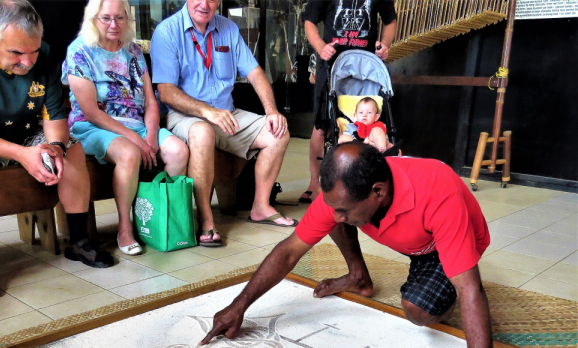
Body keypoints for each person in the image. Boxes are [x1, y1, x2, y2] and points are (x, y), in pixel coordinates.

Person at [200, 144, 516, 348]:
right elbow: (289, 252)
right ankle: (358, 276)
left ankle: (437, 277)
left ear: (378, 191)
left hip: (437, 245)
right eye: (336, 206)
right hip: (405, 232)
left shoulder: (438, 193)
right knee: (328, 216)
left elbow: (471, 290)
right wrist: (239, 305)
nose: (338, 216)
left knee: (418, 309)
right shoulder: (349, 192)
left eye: (345, 209)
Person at [0, 0, 113, 301]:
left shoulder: (47, 56)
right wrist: (21, 154)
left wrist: (53, 147)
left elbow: (55, 119)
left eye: (34, 51)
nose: (28, 62)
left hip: (26, 131)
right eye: (16, 53)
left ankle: (78, 241)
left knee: (73, 149)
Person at [150, 0, 295, 248]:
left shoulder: (228, 28)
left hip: (226, 113)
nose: (205, 4)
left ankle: (260, 206)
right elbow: (166, 92)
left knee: (277, 134)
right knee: (203, 131)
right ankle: (205, 219)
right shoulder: (167, 31)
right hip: (186, 115)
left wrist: (272, 111)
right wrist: (207, 112)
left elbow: (255, 73)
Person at [63, 0, 189, 256]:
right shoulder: (79, 50)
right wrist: (135, 138)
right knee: (130, 152)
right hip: (91, 126)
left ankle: (159, 219)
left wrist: (151, 135)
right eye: (106, 18)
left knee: (178, 151)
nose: (113, 24)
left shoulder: (133, 51)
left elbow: (151, 102)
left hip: (136, 126)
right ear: (93, 19)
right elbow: (90, 111)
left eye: (120, 18)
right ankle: (125, 227)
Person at [300, 0, 397, 204]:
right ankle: (314, 183)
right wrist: (320, 47)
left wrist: (385, 45)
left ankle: (360, 179)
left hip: (365, 70)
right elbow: (309, 21)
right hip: (330, 66)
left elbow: (390, 21)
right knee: (320, 127)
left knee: (368, 125)